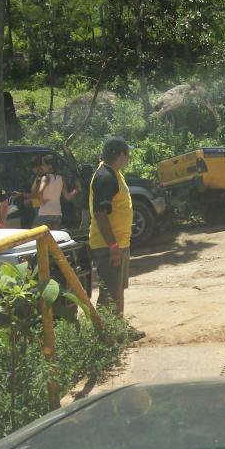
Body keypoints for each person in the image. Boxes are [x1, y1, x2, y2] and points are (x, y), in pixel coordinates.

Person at [89, 137, 141, 329]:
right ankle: (104, 335)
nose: (129, 158)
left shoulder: (114, 173)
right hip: (108, 245)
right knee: (109, 292)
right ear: (121, 154)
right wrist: (113, 247)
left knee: (117, 290)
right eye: (128, 154)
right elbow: (100, 214)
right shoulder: (105, 177)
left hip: (119, 243)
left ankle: (119, 329)